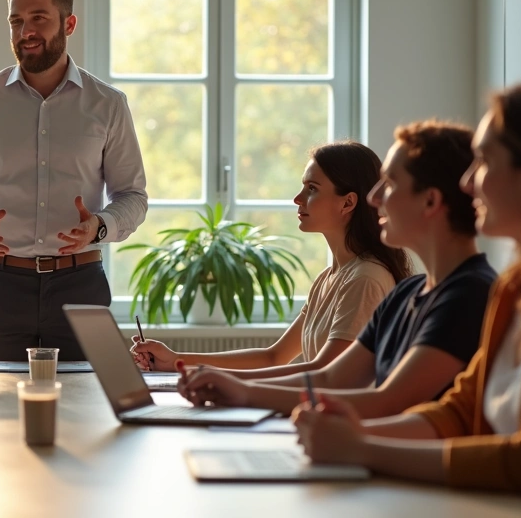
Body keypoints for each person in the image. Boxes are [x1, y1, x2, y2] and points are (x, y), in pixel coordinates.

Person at [294, 83, 521, 517]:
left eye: (483, 162)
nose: (468, 183)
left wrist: (364, 449)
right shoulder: (519, 286)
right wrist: (357, 437)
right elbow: (458, 413)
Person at [177, 122, 495, 418]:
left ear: (430, 201)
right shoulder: (406, 292)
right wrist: (237, 388)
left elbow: (388, 400)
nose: (374, 197)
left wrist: (244, 391)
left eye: (391, 183)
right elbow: (332, 377)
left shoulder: (467, 294)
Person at [0, 0, 148, 361]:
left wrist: (99, 227)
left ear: (69, 24)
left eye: (38, 19)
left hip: (81, 287)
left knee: (86, 414)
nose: (24, 32)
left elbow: (133, 196)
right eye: (16, 21)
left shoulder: (108, 105)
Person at [133, 142, 409, 377]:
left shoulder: (365, 279)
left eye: (312, 188)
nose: (297, 199)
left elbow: (323, 374)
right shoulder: (330, 277)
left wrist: (215, 378)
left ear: (347, 203)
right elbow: (274, 356)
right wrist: (176, 360)